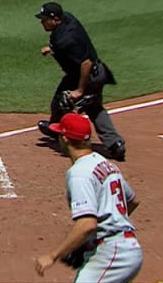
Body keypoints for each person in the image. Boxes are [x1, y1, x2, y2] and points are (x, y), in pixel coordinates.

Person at [35, 113, 142, 282]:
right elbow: (132, 201)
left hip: (112, 254)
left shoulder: (79, 173)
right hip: (129, 248)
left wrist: (53, 256)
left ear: (66, 139)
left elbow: (87, 224)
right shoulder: (105, 163)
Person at [35, 2, 126, 161]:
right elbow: (77, 44)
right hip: (97, 71)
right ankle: (115, 144)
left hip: (86, 75)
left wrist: (80, 90)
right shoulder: (68, 18)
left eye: (44, 19)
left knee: (87, 107)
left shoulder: (65, 40)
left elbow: (86, 63)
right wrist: (53, 49)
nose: (41, 22)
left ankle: (61, 129)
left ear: (55, 19)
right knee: (69, 103)